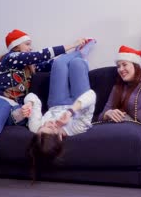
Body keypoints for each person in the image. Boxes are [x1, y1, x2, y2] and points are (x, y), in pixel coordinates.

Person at [0, 29, 93, 165]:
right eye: (27, 44)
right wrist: (71, 46)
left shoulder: (29, 67)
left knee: (23, 117)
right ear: (16, 46)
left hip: (11, 108)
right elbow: (40, 56)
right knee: (4, 105)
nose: (30, 48)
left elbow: (54, 64)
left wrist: (75, 54)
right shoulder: (10, 58)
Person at [24, 40, 96, 180]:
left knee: (58, 63)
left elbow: (32, 96)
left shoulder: (36, 128)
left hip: (56, 102)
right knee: (77, 64)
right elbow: (91, 95)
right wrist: (71, 112)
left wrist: (29, 104)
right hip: (78, 102)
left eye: (43, 127)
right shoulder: (76, 128)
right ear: (60, 137)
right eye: (51, 127)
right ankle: (82, 54)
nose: (46, 123)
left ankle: (79, 52)